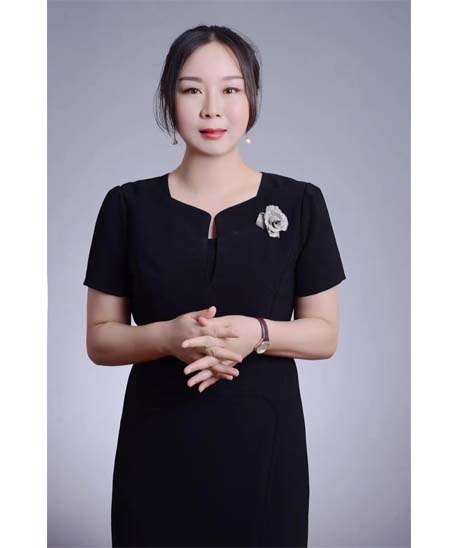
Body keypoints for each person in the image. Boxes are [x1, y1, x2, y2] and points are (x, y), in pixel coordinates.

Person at [83, 24, 346, 548]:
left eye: (230, 89)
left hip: (265, 449)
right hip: (156, 447)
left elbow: (325, 334)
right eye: (191, 89)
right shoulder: (127, 206)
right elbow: (100, 339)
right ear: (168, 98)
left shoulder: (300, 203)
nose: (212, 109)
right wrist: (166, 338)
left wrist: (258, 333)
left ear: (251, 98)